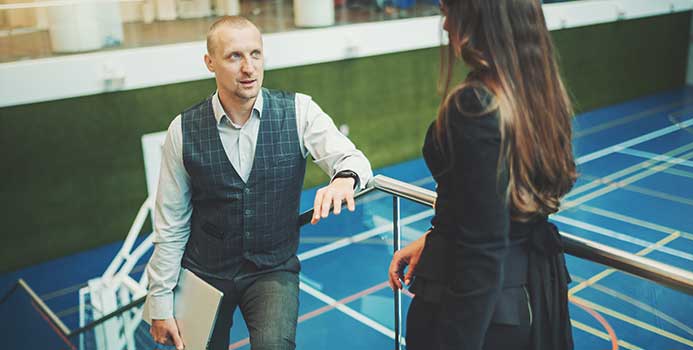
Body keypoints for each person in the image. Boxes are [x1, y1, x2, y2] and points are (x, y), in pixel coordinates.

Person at [146, 16, 372, 350]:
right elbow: (170, 225)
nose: (249, 68)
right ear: (210, 63)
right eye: (234, 56)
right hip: (204, 272)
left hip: (272, 270)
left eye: (256, 54)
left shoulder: (299, 111)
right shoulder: (182, 131)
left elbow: (354, 160)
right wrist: (159, 304)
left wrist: (345, 178)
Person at [388, 0, 577, 349]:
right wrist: (435, 239)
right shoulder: (541, 95)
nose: (446, 26)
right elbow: (494, 210)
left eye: (449, 12)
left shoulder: (475, 104)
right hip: (525, 300)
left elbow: (483, 249)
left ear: (478, 16)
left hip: (473, 312)